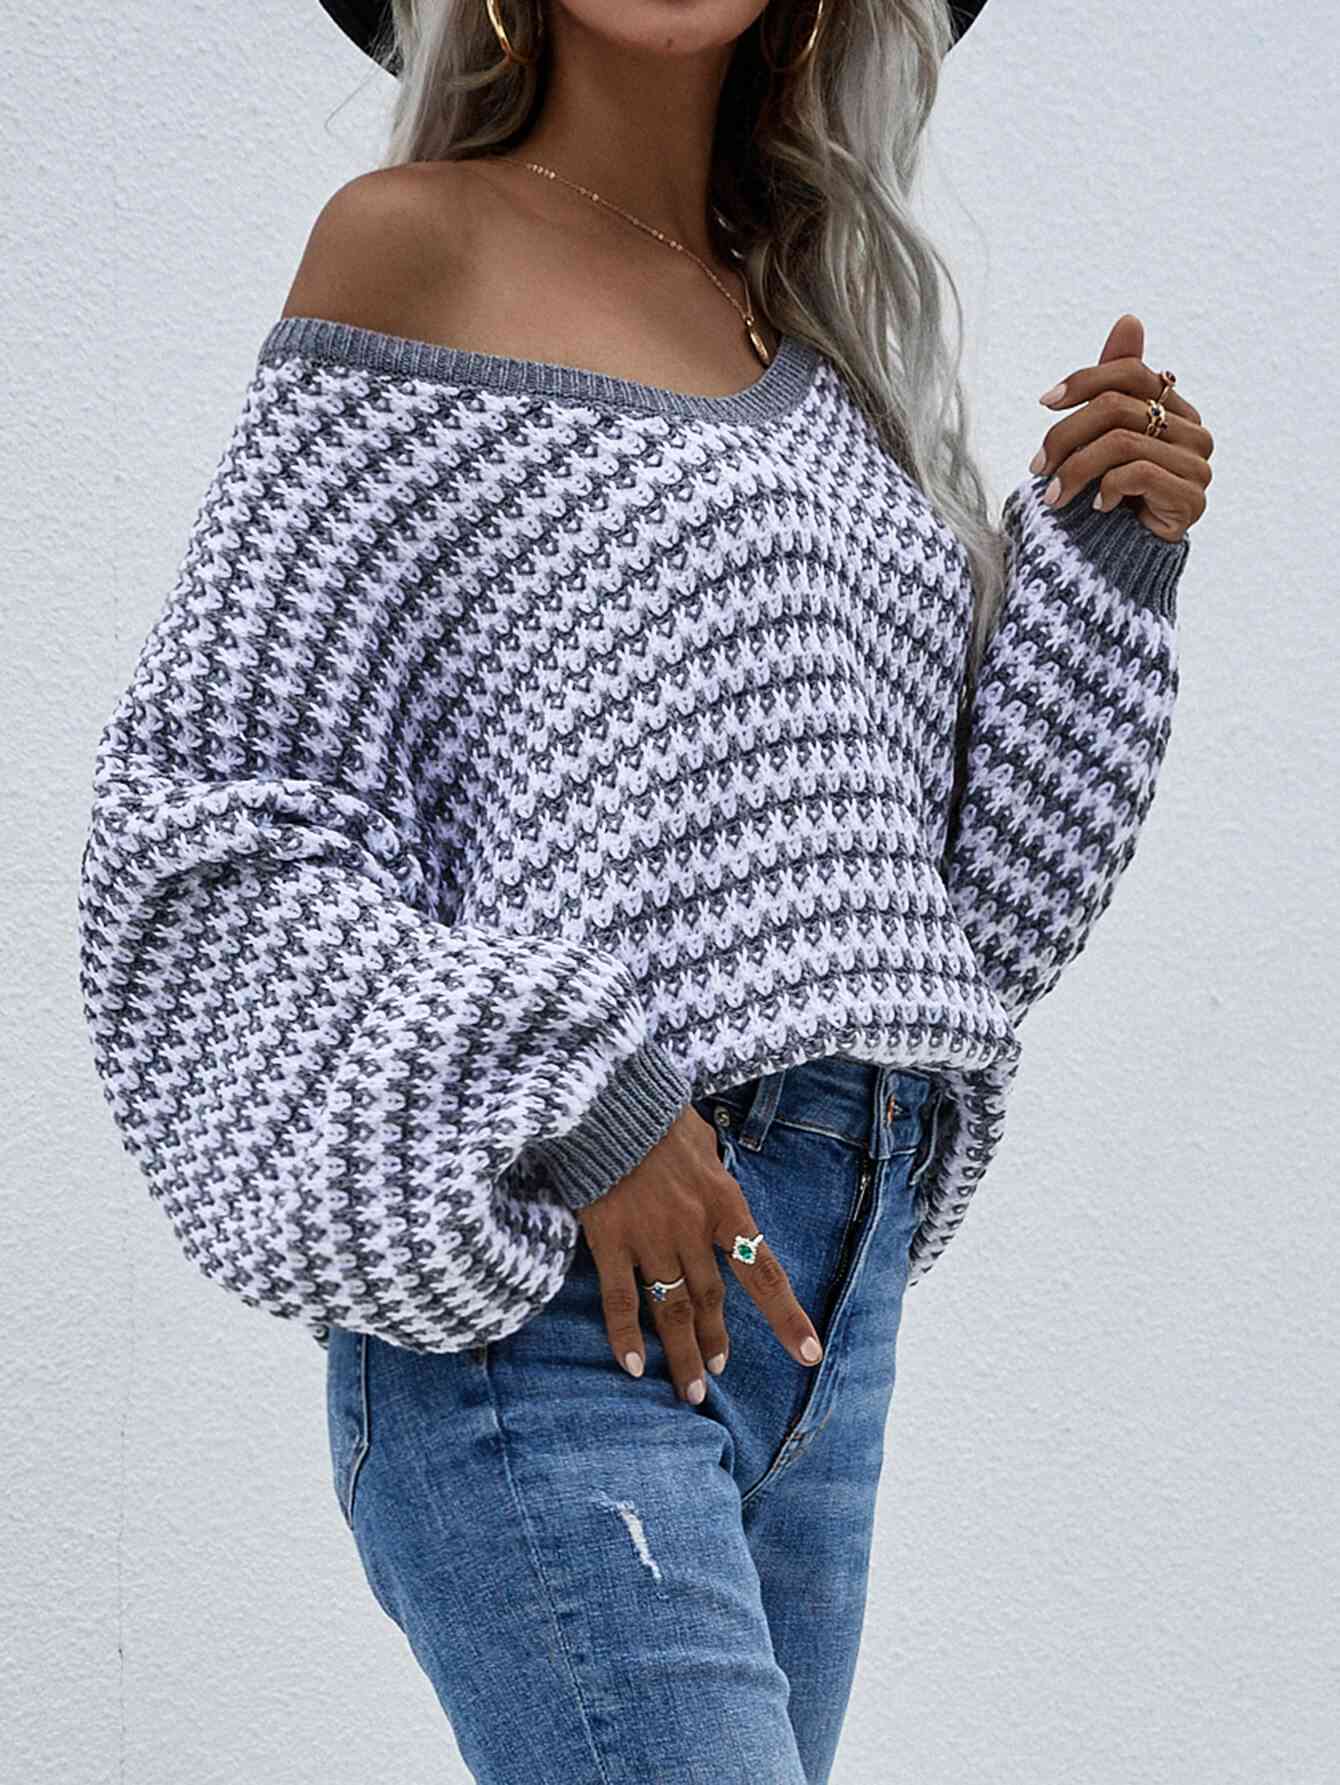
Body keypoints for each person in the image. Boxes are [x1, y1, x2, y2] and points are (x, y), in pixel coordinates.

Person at [75, 1, 1214, 1778]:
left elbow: (965, 932)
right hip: (557, 1293)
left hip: (830, 1306)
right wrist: (582, 1093)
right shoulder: (415, 248)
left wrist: (1107, 562)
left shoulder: (819, 361)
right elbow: (201, 826)